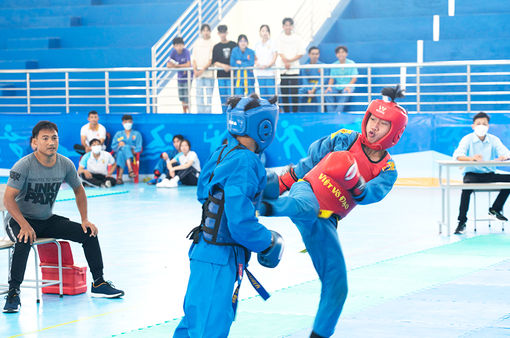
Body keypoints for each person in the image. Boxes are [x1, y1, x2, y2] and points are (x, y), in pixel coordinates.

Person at [260, 86, 408, 338]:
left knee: (337, 284)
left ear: (394, 132)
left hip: (327, 219)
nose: (373, 126)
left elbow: (372, 195)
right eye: (372, 118)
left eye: (382, 124)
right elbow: (310, 160)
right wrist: (285, 182)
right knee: (306, 206)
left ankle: (319, 335)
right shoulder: (346, 138)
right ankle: (260, 206)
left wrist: (356, 182)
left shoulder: (388, 168)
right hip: (306, 190)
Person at [173, 94, 284, 337]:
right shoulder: (245, 161)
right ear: (265, 127)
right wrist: (268, 241)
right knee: (209, 328)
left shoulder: (223, 152)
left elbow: (205, 194)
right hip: (220, 256)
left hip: (204, 251)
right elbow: (240, 223)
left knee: (194, 323)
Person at [2, 121, 124, 313]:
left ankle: (99, 283)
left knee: (88, 233)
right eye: (45, 138)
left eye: (54, 138)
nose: (51, 142)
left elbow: (79, 190)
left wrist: (85, 219)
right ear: (34, 142)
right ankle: (13, 293)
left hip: (46, 219)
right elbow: (8, 199)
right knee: (23, 239)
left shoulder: (65, 163)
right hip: (18, 219)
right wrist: (24, 225)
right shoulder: (24, 165)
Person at [453, 112, 510, 234]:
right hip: (472, 175)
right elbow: (458, 156)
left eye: (484, 124)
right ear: (473, 126)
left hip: (489, 175)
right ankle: (461, 222)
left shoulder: (494, 140)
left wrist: (503, 157)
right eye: (478, 124)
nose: (481, 126)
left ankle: (495, 209)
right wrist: (471, 158)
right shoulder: (467, 139)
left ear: (488, 126)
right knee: (466, 188)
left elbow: (506, 153)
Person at [277, 17, 306, 113]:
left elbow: (301, 52)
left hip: (294, 69)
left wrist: (290, 61)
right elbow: (279, 51)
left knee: (294, 92)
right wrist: (285, 62)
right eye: (286, 25)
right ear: (283, 26)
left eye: (289, 25)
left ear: (292, 26)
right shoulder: (280, 38)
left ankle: (295, 112)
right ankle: (286, 112)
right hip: (283, 68)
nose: (288, 27)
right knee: (284, 92)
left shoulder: (298, 38)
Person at [325, 45, 358, 113]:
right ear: (336, 55)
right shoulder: (334, 65)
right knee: (328, 93)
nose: (341, 54)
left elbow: (354, 78)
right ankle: (331, 113)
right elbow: (332, 78)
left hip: (348, 86)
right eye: (339, 52)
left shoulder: (351, 63)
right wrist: (329, 87)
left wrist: (348, 86)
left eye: (343, 52)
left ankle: (337, 113)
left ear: (346, 54)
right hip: (338, 86)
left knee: (345, 93)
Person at [212, 25, 237, 113]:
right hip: (221, 76)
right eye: (221, 32)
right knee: (223, 97)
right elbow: (214, 61)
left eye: (224, 32)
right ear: (218, 34)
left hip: (232, 76)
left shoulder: (233, 44)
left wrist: (231, 67)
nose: (223, 34)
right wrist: (224, 66)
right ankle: (224, 115)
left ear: (227, 33)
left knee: (231, 97)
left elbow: (237, 58)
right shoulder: (216, 47)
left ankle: (232, 114)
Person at [111, 115, 142, 185]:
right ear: (122, 123)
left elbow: (139, 146)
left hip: (132, 154)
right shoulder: (118, 134)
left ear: (132, 123)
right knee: (122, 151)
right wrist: (119, 144)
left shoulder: (137, 134)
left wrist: (134, 150)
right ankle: (130, 170)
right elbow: (113, 147)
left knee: (124, 149)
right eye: (126, 122)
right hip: (120, 152)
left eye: (129, 122)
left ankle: (119, 177)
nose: (127, 123)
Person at [192, 24, 215, 114]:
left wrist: (201, 71)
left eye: (207, 30)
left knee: (209, 96)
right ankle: (200, 114)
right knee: (199, 96)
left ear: (210, 31)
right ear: (201, 32)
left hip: (209, 74)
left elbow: (211, 60)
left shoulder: (213, 43)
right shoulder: (197, 43)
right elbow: (194, 58)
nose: (205, 32)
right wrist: (195, 71)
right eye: (204, 30)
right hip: (198, 75)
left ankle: (208, 114)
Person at [299, 46, 327, 112]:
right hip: (307, 86)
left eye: (316, 54)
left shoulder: (322, 66)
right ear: (309, 55)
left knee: (320, 93)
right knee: (299, 92)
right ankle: (299, 112)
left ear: (319, 55)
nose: (315, 56)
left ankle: (320, 113)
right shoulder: (305, 66)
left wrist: (314, 89)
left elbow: (322, 80)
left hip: (319, 87)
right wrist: (309, 89)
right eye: (313, 54)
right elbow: (304, 79)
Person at [167, 37, 191, 114]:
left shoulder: (186, 51)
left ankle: (188, 112)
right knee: (181, 96)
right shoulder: (173, 52)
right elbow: (168, 65)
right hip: (180, 77)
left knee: (187, 95)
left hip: (188, 77)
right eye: (177, 45)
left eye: (180, 45)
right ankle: (184, 112)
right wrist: (179, 66)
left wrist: (177, 66)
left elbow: (188, 64)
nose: (179, 47)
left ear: (183, 45)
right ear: (174, 46)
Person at [254, 24, 278, 99]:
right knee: (263, 95)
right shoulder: (257, 44)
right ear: (260, 33)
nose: (265, 33)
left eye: (266, 31)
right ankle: (265, 110)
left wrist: (268, 65)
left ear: (269, 32)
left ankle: (272, 110)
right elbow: (255, 57)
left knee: (271, 95)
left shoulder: (273, 43)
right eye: (263, 31)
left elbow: (275, 56)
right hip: (260, 73)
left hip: (270, 73)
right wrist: (258, 64)